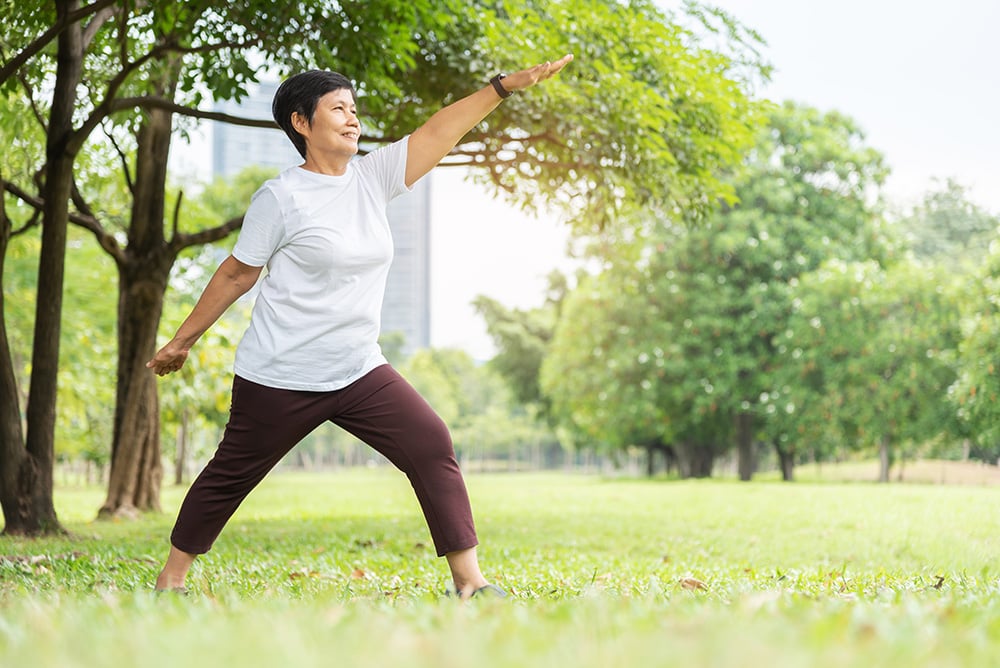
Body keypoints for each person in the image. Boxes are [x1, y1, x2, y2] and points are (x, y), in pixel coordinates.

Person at [148, 54, 574, 600]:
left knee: (430, 442)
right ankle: (172, 578)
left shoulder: (371, 178)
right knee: (231, 474)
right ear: (302, 124)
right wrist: (181, 342)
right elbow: (236, 274)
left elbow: (440, 130)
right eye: (338, 109)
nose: (353, 119)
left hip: (357, 369)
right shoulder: (280, 197)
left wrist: (501, 87)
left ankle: (470, 584)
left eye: (354, 109)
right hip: (281, 373)